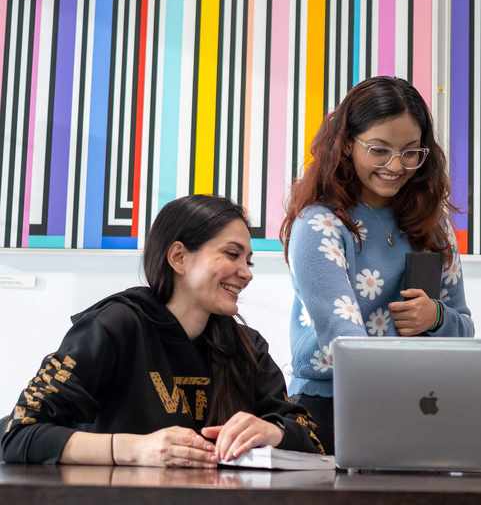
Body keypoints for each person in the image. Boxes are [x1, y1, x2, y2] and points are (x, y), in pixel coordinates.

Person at [1, 195, 324, 465]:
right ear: (179, 257)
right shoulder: (114, 326)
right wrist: (132, 449)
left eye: (249, 261)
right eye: (232, 254)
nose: (246, 273)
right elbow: (18, 434)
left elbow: (312, 438)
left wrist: (275, 432)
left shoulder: (247, 345)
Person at [280, 76, 474, 454]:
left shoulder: (433, 225)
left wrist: (435, 317)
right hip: (327, 409)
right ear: (348, 144)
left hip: (418, 403)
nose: (396, 166)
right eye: (379, 150)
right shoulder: (319, 225)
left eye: (410, 152)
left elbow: (464, 329)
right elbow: (345, 342)